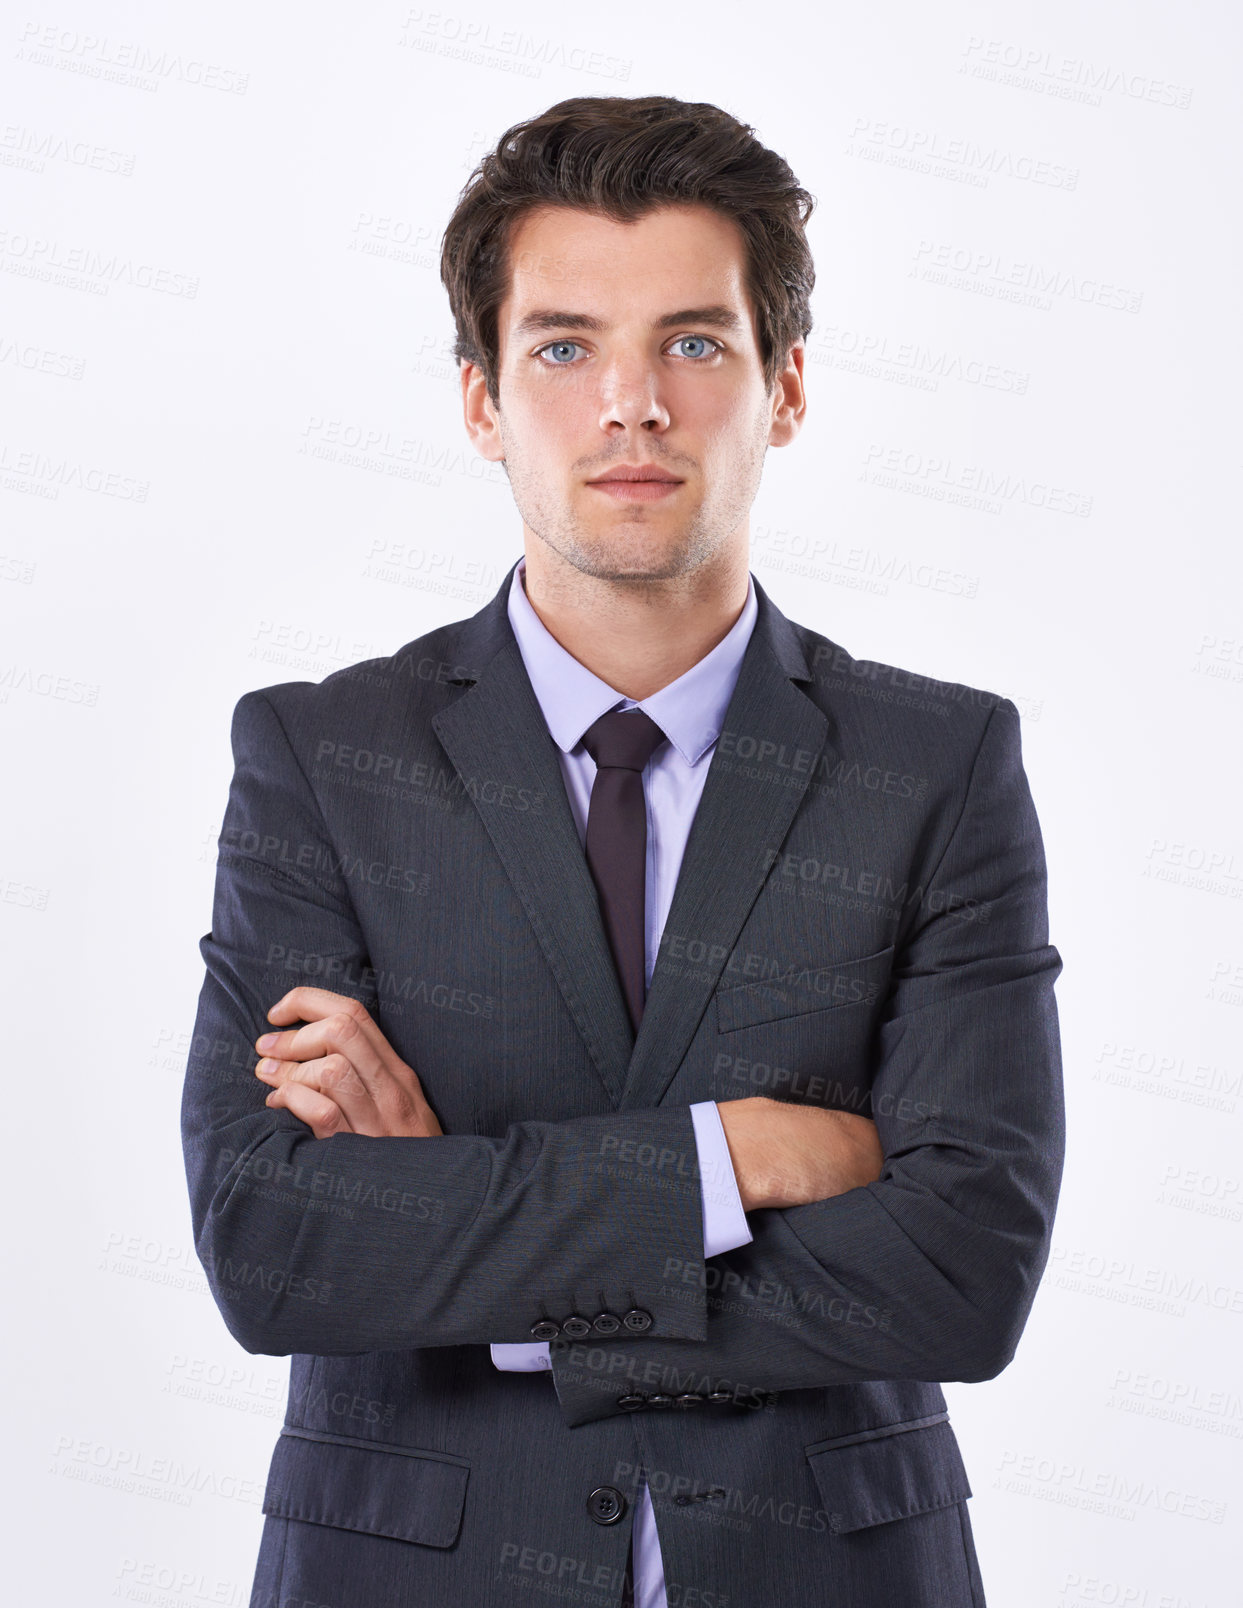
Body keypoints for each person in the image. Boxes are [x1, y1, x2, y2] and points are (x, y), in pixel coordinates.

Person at [181, 94, 1064, 1608]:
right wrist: (744, 1159)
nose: (633, 405)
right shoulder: (327, 760)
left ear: (785, 388)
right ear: (482, 399)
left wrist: (456, 1216)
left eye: (696, 344)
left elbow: (965, 1272)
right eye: (566, 346)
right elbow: (277, 1253)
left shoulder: (938, 765)